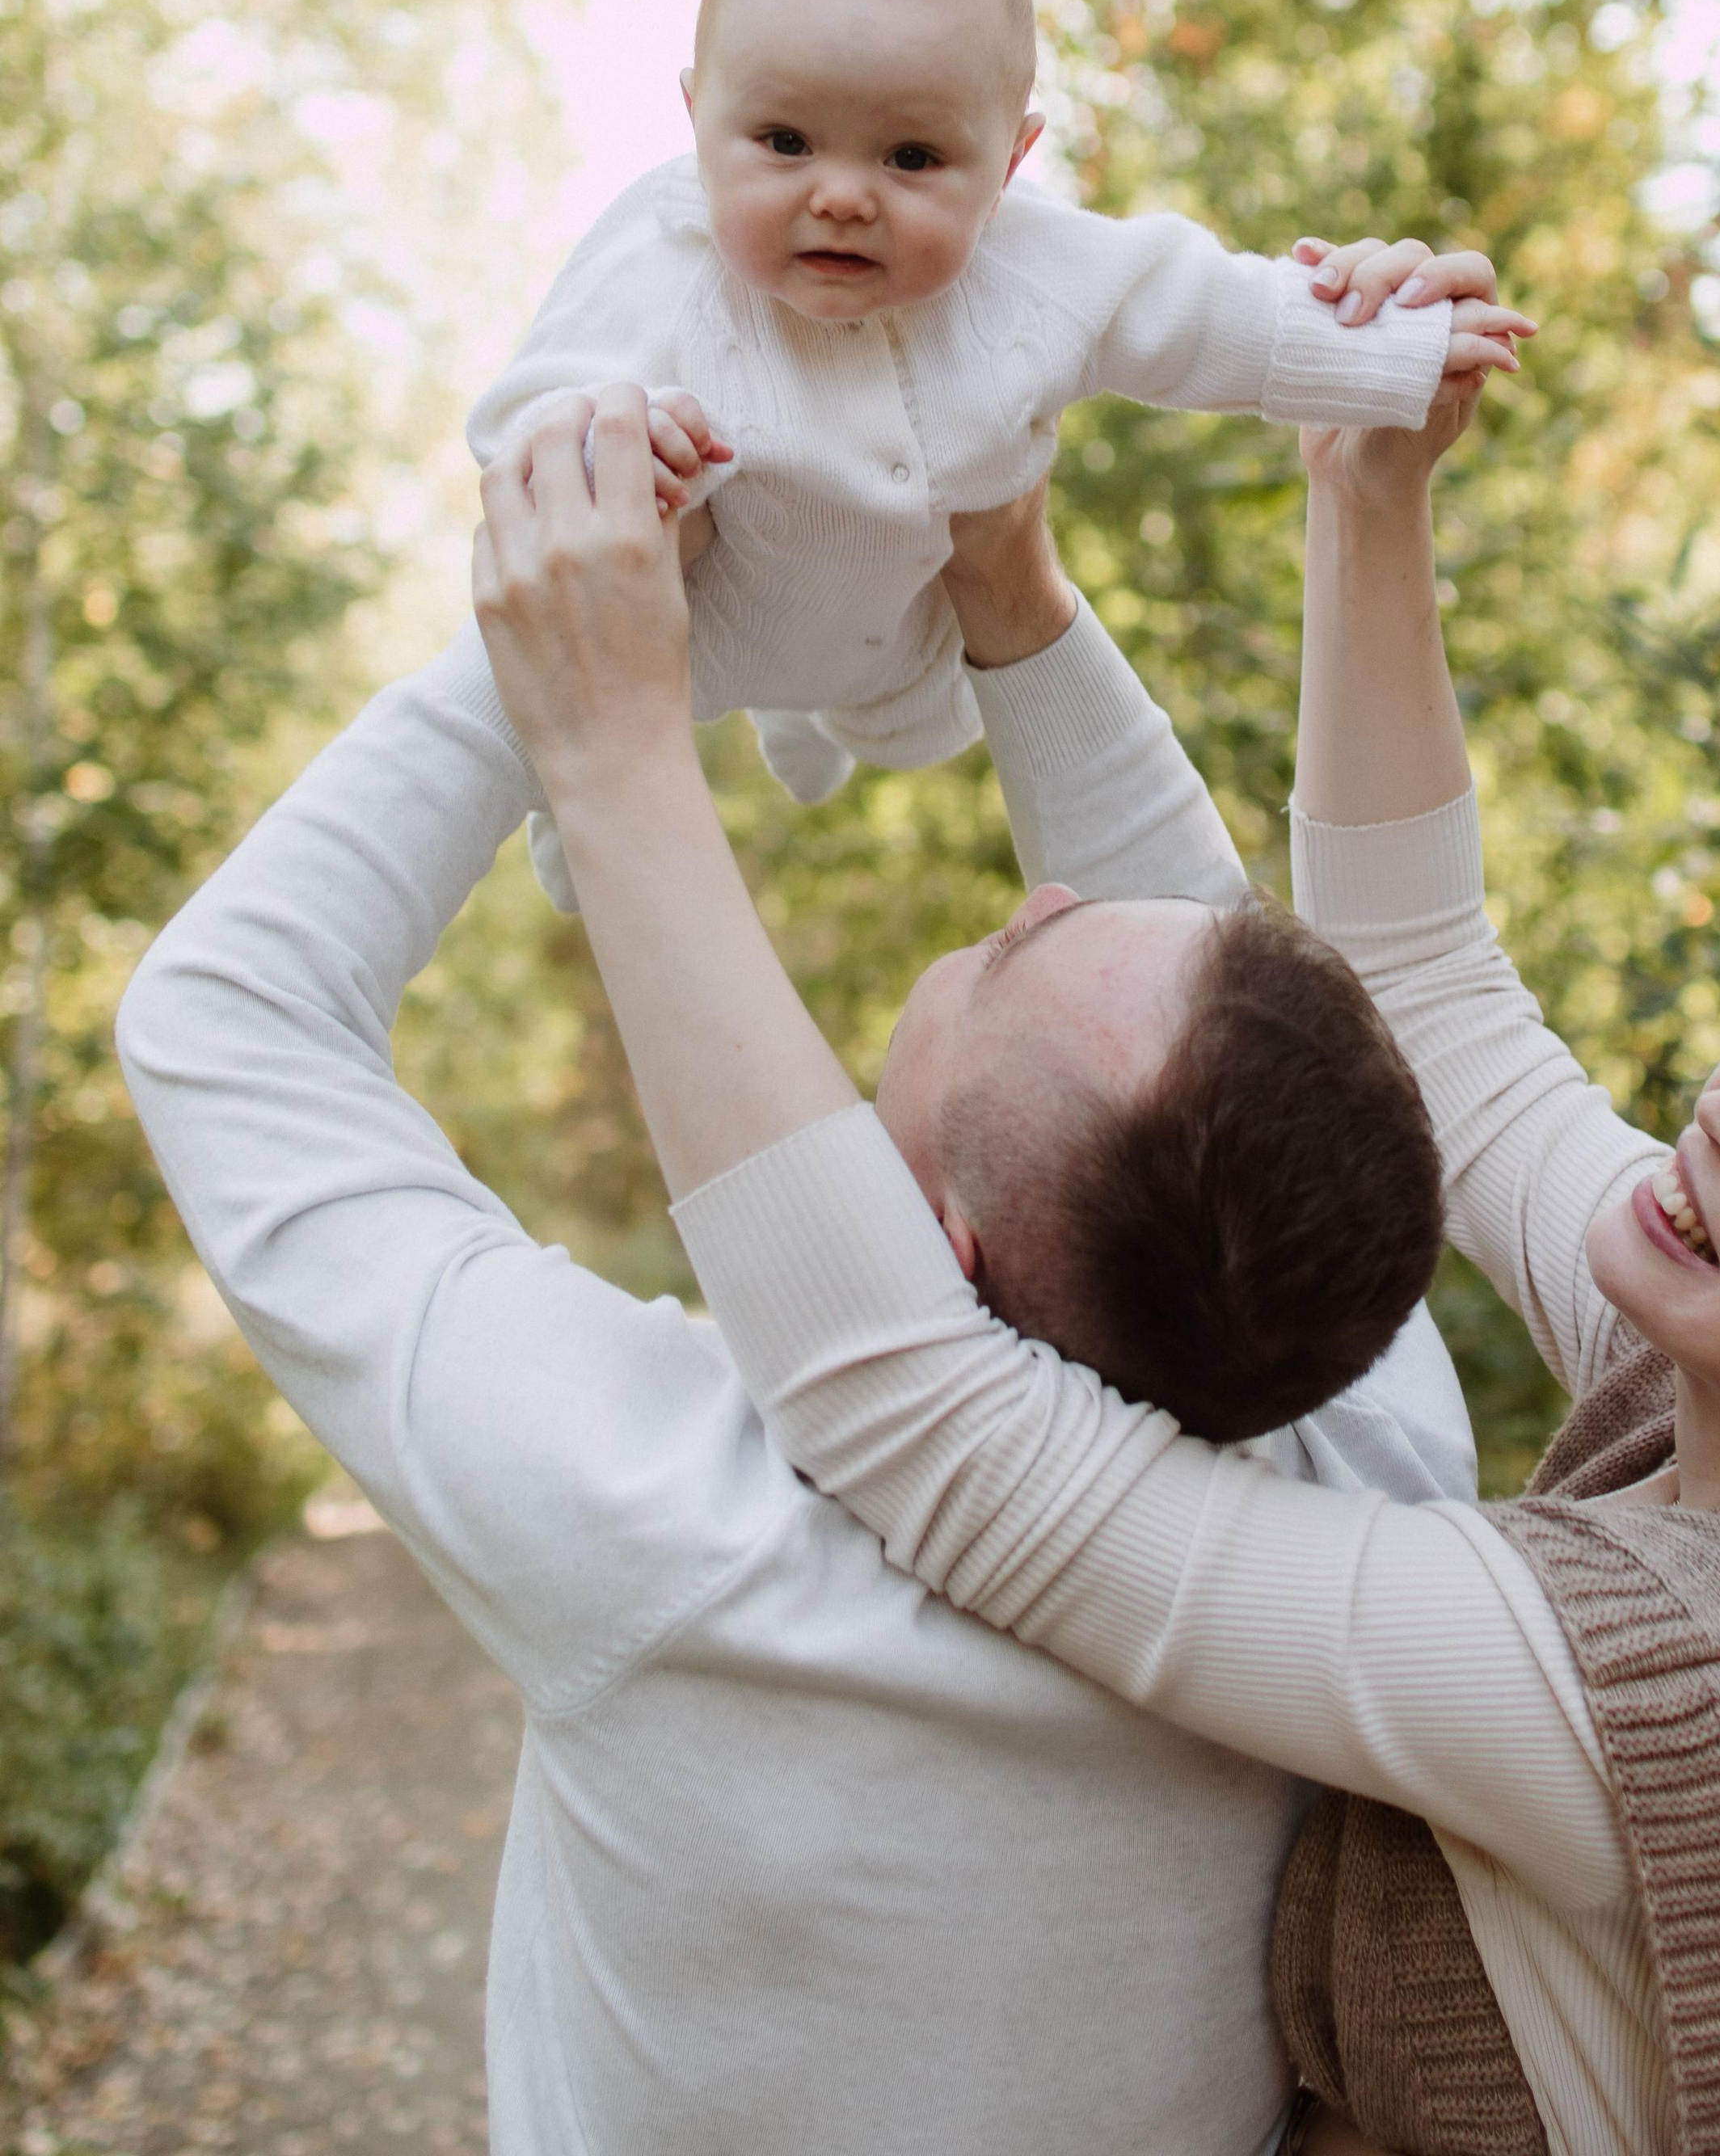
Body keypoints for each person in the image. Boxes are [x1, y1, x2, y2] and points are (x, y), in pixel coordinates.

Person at [473, 369, 1720, 2156]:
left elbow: (959, 1447)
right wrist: (1355, 496)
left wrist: (613, 754)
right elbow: (1421, 994)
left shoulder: (1714, 1688)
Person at [114, 490, 1492, 2156]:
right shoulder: (1369, 1476)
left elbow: (226, 1021)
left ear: (931, 1256)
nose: (1042, 900)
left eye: (1004, 958)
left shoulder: (688, 1527)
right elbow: (1212, 1037)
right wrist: (1014, 591)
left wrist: (553, 660)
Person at [468, 0, 1528, 891]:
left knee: (885, 721)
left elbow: (1204, 307)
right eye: (785, 141)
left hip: (901, 640)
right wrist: (619, 431)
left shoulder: (1036, 267)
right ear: (698, 121)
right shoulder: (664, 250)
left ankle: (817, 727)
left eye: (912, 159)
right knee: (592, 670)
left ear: (1010, 164)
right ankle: (581, 823)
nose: (842, 195)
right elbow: (531, 408)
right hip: (703, 616)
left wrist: (1401, 352)